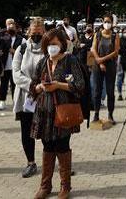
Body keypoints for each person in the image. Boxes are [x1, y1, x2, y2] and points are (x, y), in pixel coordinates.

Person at [29, 28, 85, 199]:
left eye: (54, 44)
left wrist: (58, 85)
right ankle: (45, 186)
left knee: (62, 147)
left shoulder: (70, 61)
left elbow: (80, 86)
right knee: (47, 147)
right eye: (48, 44)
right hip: (44, 112)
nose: (51, 47)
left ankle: (65, 186)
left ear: (62, 44)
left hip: (63, 112)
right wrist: (39, 87)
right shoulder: (43, 62)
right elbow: (33, 86)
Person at [11, 17, 45, 178]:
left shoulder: (50, 48)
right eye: (34, 32)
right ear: (29, 32)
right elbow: (16, 73)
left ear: (43, 32)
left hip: (45, 96)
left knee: (47, 131)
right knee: (26, 131)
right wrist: (33, 85)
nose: (36, 35)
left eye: (39, 32)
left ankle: (51, 161)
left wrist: (42, 86)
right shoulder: (21, 49)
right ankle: (31, 163)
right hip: (26, 97)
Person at [90, 14, 120, 123]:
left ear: (112, 23)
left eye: (109, 22)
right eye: (105, 21)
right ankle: (96, 114)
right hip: (97, 65)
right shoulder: (97, 34)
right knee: (97, 91)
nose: (107, 23)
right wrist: (99, 60)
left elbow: (115, 52)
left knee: (110, 91)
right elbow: (93, 48)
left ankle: (110, 115)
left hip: (110, 65)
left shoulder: (115, 36)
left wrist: (102, 60)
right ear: (103, 22)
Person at [0, 21, 23, 111]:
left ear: (16, 28)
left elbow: (24, 53)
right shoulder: (3, 39)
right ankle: (2, 102)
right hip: (5, 65)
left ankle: (15, 102)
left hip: (16, 66)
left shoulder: (22, 39)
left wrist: (15, 52)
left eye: (13, 27)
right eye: (9, 27)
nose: (11, 29)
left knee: (14, 85)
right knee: (3, 84)